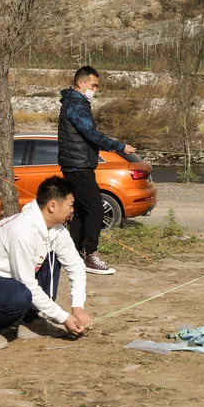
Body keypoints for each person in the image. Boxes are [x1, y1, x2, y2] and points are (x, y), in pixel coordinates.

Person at [0, 176, 91, 350]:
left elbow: (76, 266)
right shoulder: (22, 231)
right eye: (70, 205)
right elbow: (27, 284)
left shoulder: (57, 230)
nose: (72, 210)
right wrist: (64, 318)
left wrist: (77, 306)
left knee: (50, 260)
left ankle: (30, 321)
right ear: (52, 206)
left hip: (2, 282)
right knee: (21, 296)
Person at [58, 66, 136, 275]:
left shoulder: (76, 103)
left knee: (82, 212)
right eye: (94, 85)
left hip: (77, 164)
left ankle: (74, 255)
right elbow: (90, 133)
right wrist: (120, 146)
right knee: (95, 209)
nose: (95, 90)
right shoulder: (75, 104)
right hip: (78, 165)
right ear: (81, 83)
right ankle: (91, 255)